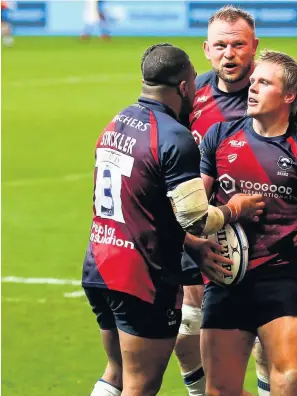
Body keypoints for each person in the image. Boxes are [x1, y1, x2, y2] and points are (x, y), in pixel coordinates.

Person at [176, 5, 297, 396]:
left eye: (238, 45)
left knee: (273, 357)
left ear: (254, 47)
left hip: (273, 254)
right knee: (187, 326)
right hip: (209, 237)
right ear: (206, 48)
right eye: (220, 45)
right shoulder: (193, 97)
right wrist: (191, 234)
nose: (229, 54)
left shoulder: (292, 99)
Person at [81, 43, 264, 396]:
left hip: (99, 264)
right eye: (194, 82)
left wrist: (189, 247)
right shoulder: (174, 136)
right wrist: (234, 209)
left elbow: (140, 204)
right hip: (140, 276)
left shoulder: (116, 122)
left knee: (115, 373)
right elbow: (196, 218)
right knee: (141, 385)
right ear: (183, 87)